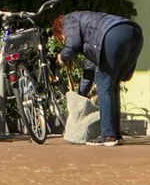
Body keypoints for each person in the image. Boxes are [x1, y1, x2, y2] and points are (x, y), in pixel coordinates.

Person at [53, 11, 143, 147]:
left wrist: (63, 56)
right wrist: (81, 95)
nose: (64, 41)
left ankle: (108, 135)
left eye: (62, 39)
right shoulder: (91, 34)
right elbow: (90, 70)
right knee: (112, 84)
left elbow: (73, 44)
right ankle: (115, 133)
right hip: (135, 33)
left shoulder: (68, 20)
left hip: (113, 34)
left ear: (61, 31)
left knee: (104, 84)